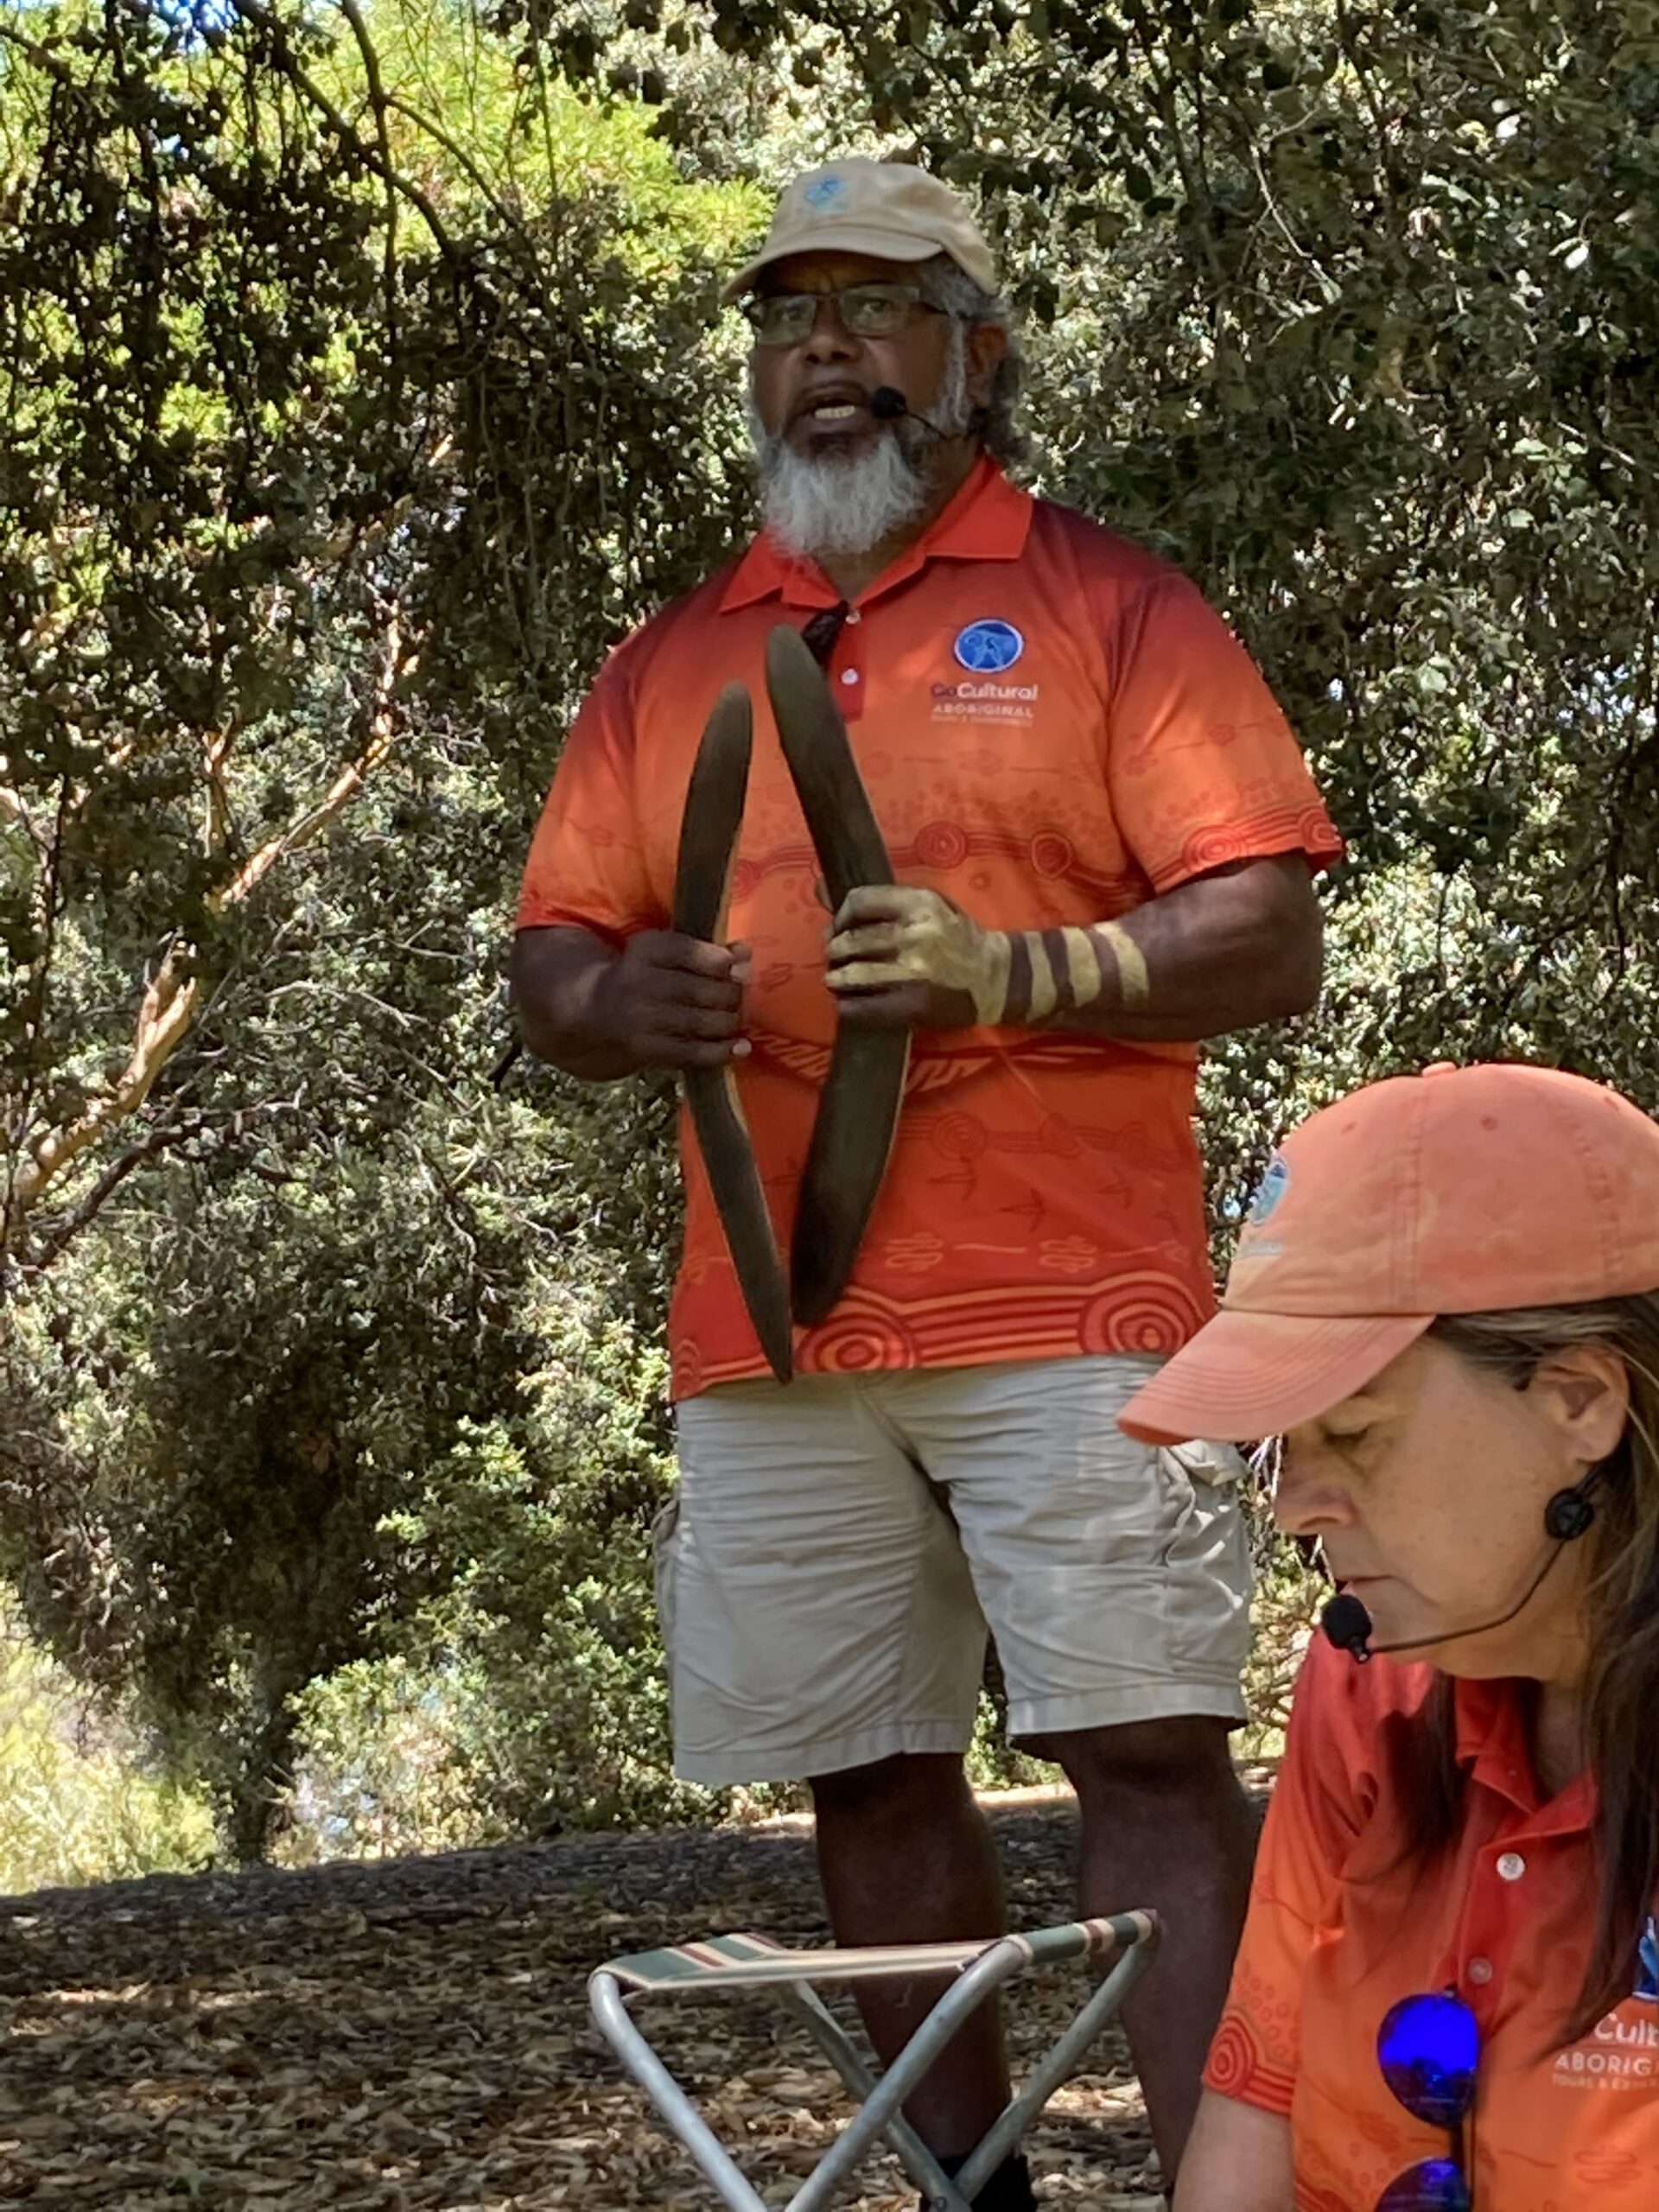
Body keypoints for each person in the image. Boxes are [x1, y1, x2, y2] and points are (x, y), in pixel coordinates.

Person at [512, 155, 1341, 2204]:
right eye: (790, 313)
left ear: (974, 354)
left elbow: (1268, 929)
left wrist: (1021, 966)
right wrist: (641, 1002)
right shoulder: (678, 654)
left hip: (1071, 1298)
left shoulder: (1107, 600)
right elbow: (550, 963)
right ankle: (972, 2194)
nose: (824, 350)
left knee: (1145, 1747)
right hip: (773, 1315)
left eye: (875, 308)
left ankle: (1230, 2196)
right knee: (864, 1767)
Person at [1117, 1059, 1659, 2212]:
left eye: (1353, 1433)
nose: (1294, 1504)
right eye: (1280, 1444)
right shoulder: (1370, 1681)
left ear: (1581, 1404)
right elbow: (1253, 2119)